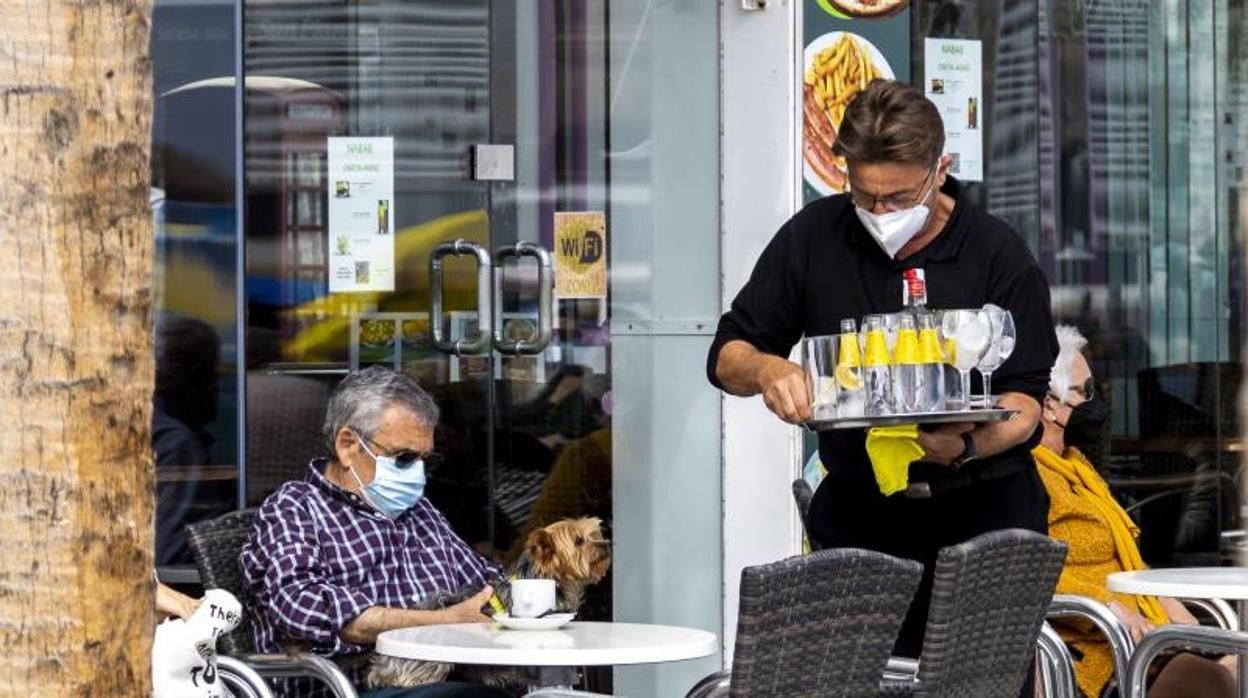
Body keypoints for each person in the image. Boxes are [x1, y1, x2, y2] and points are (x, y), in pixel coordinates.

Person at [707, 80, 1059, 671]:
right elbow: (728, 353)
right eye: (863, 195)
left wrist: (966, 444)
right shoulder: (814, 237)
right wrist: (770, 370)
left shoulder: (995, 253)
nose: (878, 214)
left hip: (986, 512)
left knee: (976, 685)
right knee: (853, 681)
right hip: (861, 513)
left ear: (938, 171)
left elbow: (1024, 402)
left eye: (896, 199)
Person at [240, 366, 510, 698]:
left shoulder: (420, 512)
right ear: (348, 445)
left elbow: (486, 583)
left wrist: (520, 597)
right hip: (346, 687)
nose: (418, 473)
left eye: (426, 460)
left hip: (439, 680)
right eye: (404, 457)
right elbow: (305, 609)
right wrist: (446, 620)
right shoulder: (295, 508)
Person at [1034, 326, 1235, 698]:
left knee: (1235, 665)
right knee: (1220, 680)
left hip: (1146, 638)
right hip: (1104, 649)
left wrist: (1165, 601)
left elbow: (1125, 558)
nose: (1098, 402)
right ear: (1049, 404)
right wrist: (1108, 606)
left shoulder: (1078, 467)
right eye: (1086, 391)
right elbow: (1030, 575)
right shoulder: (1032, 480)